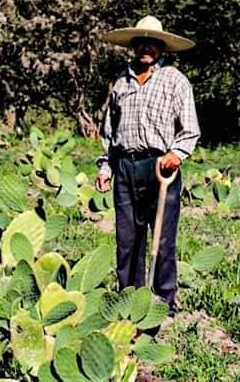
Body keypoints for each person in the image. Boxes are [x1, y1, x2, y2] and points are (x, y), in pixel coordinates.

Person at [95, 16, 200, 316]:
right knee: (127, 239)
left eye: (152, 42)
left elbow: (190, 128)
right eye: (141, 42)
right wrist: (106, 168)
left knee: (162, 238)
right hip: (126, 166)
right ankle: (128, 298)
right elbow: (109, 133)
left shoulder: (175, 81)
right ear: (133, 46)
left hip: (161, 167)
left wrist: (177, 154)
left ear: (161, 47)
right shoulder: (120, 82)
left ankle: (164, 302)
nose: (146, 47)